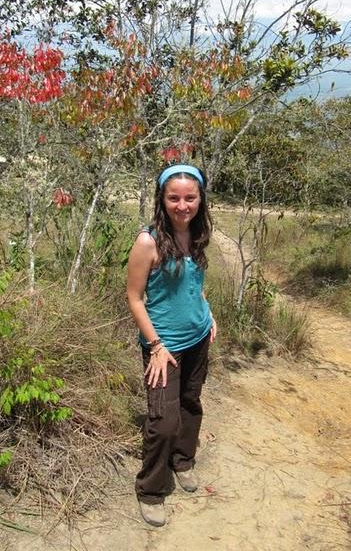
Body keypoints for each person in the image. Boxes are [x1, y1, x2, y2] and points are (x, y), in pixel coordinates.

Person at [126, 163, 217, 527]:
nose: (183, 205)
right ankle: (151, 489)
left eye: (190, 198)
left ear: (200, 199)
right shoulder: (148, 241)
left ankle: (183, 461)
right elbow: (134, 298)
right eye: (174, 198)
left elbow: (196, 284)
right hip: (163, 346)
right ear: (162, 200)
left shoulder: (198, 233)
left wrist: (208, 314)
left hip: (198, 338)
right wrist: (156, 345)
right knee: (163, 421)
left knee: (190, 404)